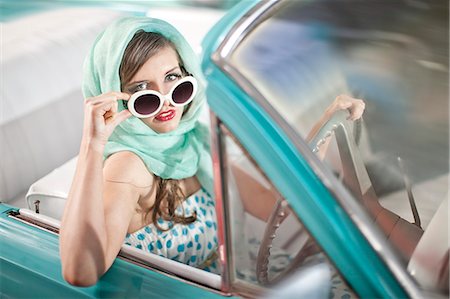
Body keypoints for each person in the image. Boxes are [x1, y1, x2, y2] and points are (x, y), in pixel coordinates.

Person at [59, 17, 365, 287]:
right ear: (118, 99)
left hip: (239, 277)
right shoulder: (127, 167)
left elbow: (273, 206)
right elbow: (81, 272)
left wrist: (324, 125)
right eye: (143, 91)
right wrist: (92, 144)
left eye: (172, 78)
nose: (166, 101)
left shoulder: (195, 141)